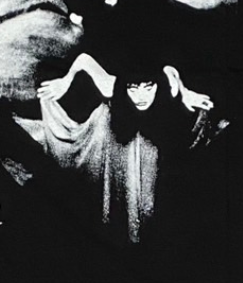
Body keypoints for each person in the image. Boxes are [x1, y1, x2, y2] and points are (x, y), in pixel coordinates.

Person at [12, 50, 228, 245]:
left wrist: (186, 92)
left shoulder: (168, 86)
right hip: (115, 134)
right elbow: (85, 60)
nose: (141, 97)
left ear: (157, 85)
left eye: (148, 88)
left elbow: (171, 72)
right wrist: (65, 81)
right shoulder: (111, 85)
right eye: (133, 89)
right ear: (125, 87)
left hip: (149, 140)